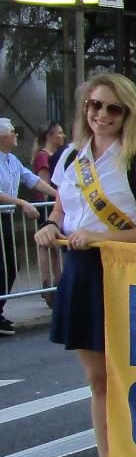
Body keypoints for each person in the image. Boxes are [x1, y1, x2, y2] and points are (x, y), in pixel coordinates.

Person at [34, 73, 136, 457]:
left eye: (112, 108)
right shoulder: (72, 158)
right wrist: (51, 227)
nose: (101, 115)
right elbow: (61, 210)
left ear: (128, 113)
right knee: (98, 381)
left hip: (126, 273)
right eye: (94, 105)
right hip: (81, 273)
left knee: (128, 378)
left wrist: (106, 241)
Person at [0, 119, 59, 334]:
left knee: (10, 266)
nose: (17, 135)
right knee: (3, 265)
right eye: (13, 132)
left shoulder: (12, 160)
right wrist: (21, 202)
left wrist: (58, 195)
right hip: (2, 214)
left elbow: (32, 180)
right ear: (2, 137)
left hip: (5, 217)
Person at [31, 122, 66, 304]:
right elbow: (44, 184)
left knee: (55, 247)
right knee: (45, 245)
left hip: (54, 205)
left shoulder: (57, 155)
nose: (62, 136)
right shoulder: (43, 157)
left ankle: (58, 282)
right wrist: (56, 200)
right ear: (50, 135)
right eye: (59, 133)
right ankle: (47, 286)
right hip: (47, 205)